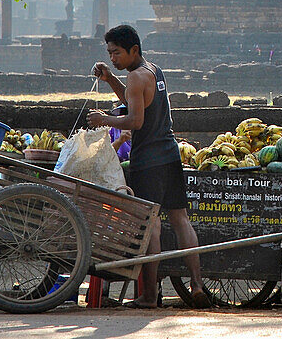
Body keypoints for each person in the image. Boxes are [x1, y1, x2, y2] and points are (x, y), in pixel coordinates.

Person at [87, 24, 210, 309]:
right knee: (181, 220)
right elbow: (135, 103)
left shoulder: (134, 77)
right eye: (109, 54)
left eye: (116, 53)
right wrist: (109, 80)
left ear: (134, 50)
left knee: (151, 227)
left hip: (148, 162)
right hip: (170, 155)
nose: (113, 59)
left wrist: (105, 119)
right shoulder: (153, 70)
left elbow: (135, 121)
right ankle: (197, 284)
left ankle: (149, 296)